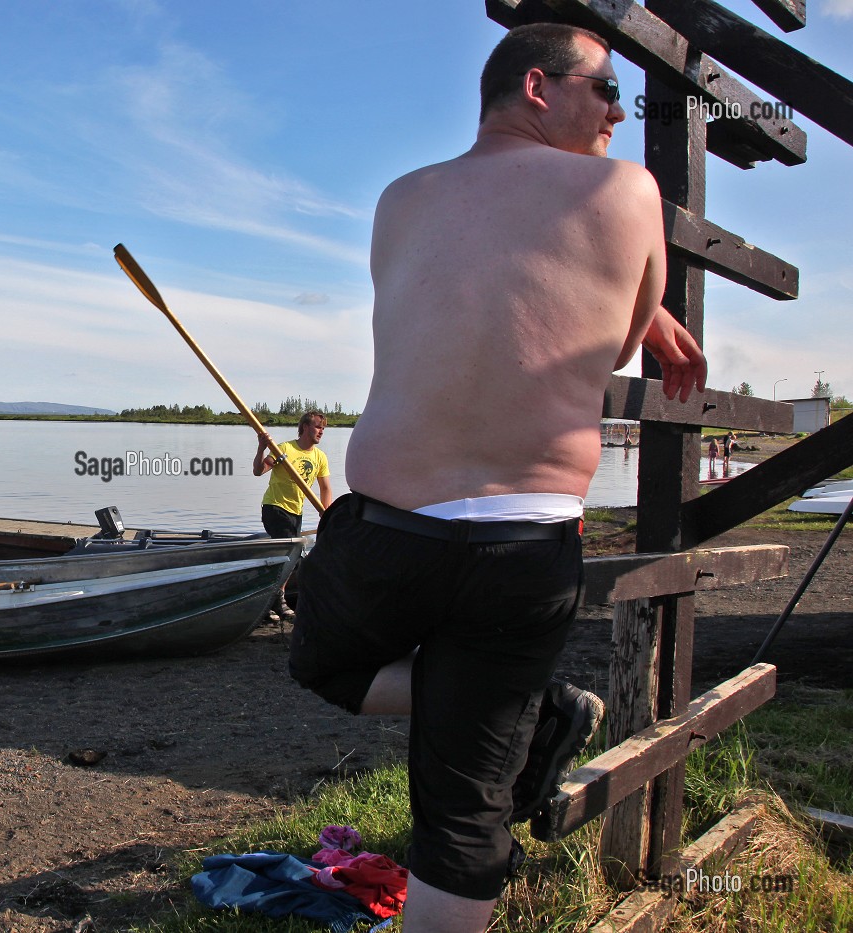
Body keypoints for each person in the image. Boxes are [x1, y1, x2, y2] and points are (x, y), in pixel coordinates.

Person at [287, 23, 706, 933]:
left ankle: (523, 703)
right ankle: (520, 703)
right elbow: (616, 330)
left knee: (324, 656)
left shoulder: (401, 198)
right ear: (539, 86)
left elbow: (469, 294)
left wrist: (642, 308)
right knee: (466, 791)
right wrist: (658, 309)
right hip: (525, 545)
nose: (617, 115)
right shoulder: (629, 192)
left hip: (387, 531)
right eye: (606, 92)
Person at [252, 410, 333, 620]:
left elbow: (325, 488)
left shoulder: (319, 457)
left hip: (296, 511)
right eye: (317, 426)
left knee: (290, 556)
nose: (321, 431)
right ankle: (276, 600)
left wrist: (327, 514)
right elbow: (258, 471)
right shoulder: (285, 449)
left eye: (323, 428)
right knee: (291, 553)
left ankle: (272, 599)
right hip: (275, 507)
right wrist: (262, 447)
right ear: (305, 427)